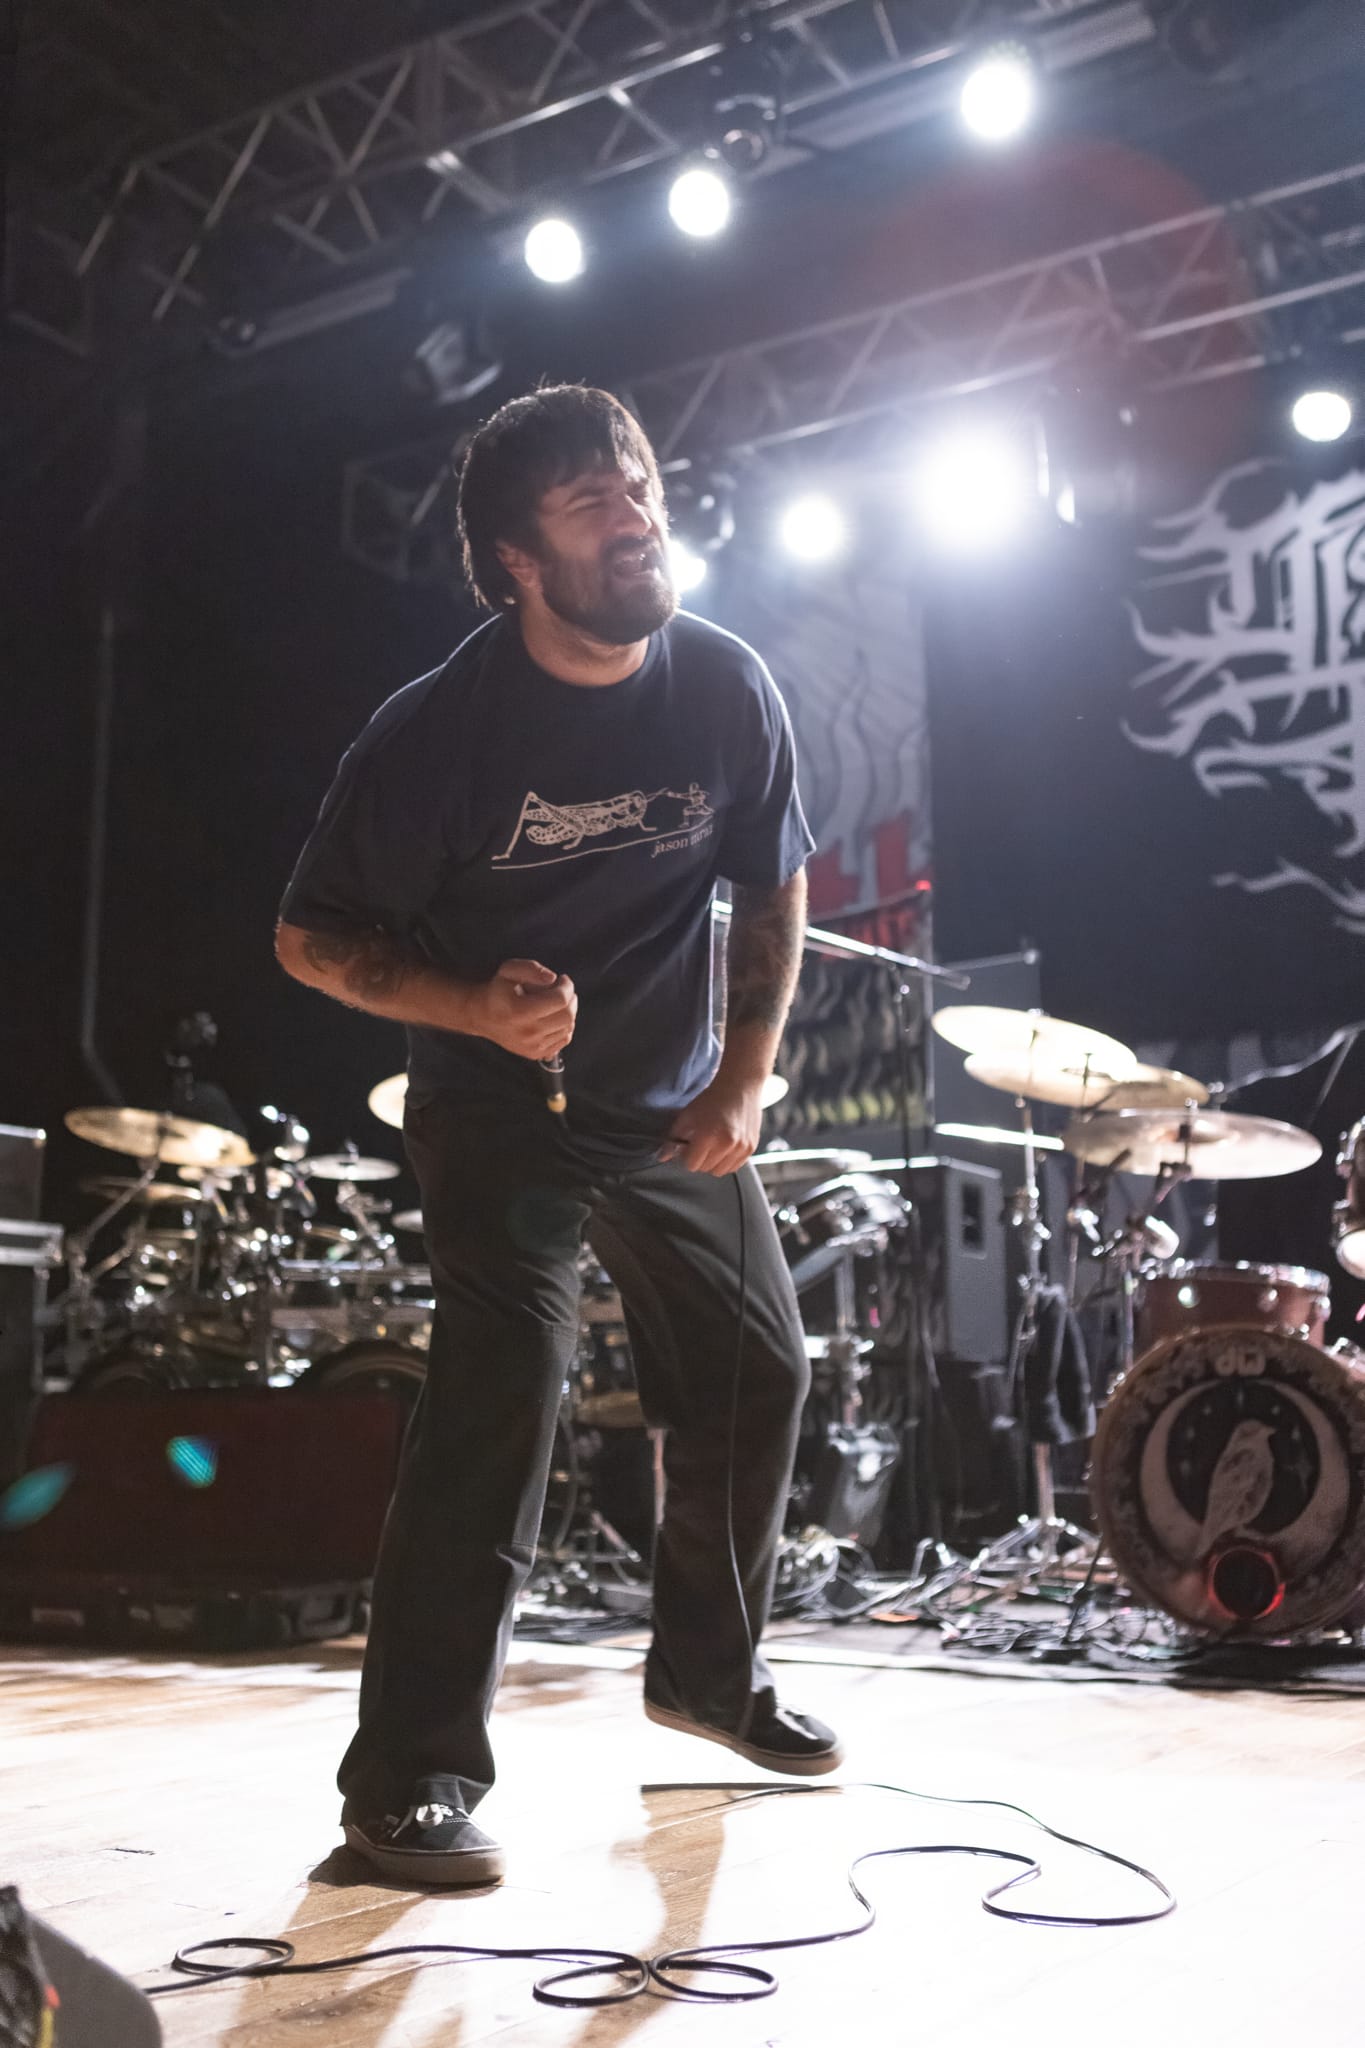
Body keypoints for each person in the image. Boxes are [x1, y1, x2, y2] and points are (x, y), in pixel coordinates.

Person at [275, 383, 839, 1889]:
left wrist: (744, 1073)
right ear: (516, 559)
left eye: (639, 486)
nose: (635, 516)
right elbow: (310, 939)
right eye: (593, 502)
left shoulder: (723, 684)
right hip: (500, 1114)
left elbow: (774, 878)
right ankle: (409, 1781)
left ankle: (707, 1675)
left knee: (759, 1367)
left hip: (669, 1104)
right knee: (501, 1401)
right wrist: (470, 1002)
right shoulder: (437, 735)